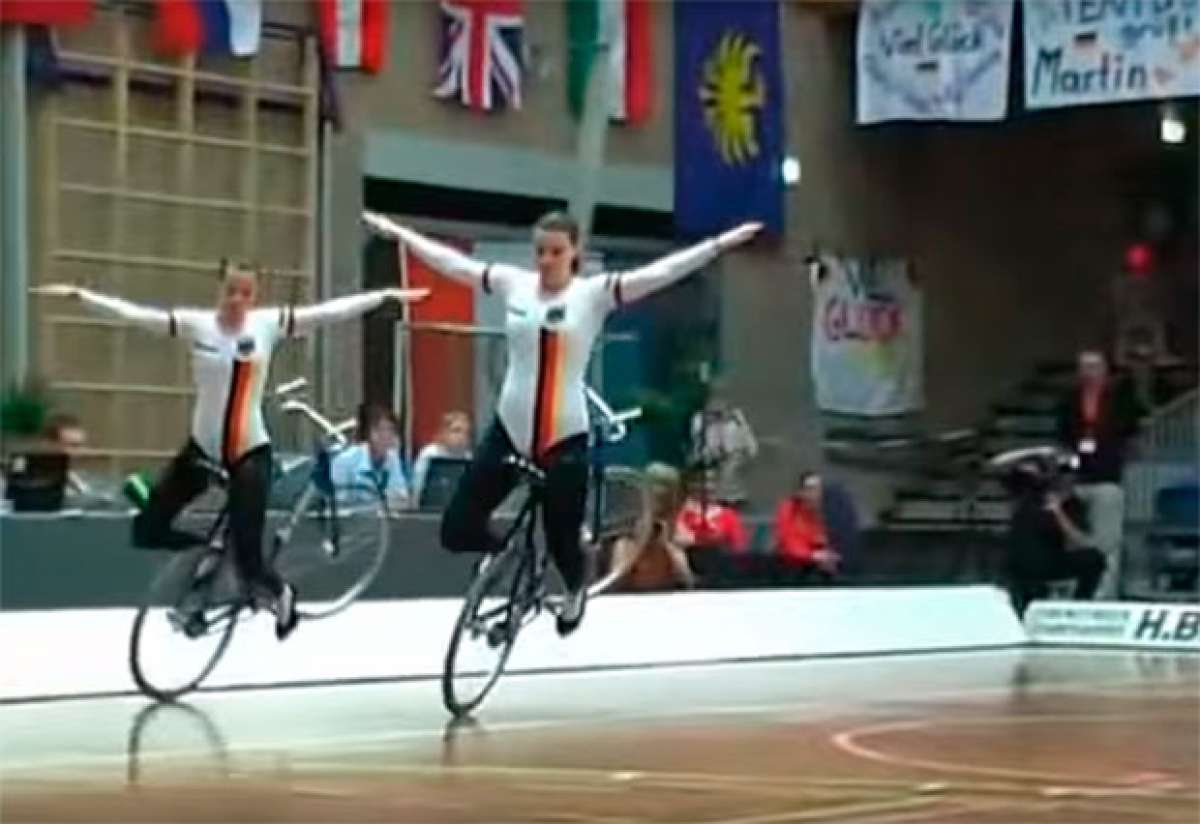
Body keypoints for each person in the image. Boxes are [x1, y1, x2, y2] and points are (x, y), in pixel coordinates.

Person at [364, 209, 760, 635]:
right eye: (540, 251)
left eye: (556, 251)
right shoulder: (513, 285)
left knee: (562, 541)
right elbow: (454, 264)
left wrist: (720, 244)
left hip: (563, 438)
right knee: (456, 528)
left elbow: (662, 272)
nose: (546, 260)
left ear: (575, 253)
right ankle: (512, 557)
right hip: (509, 433)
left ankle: (573, 590)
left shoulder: (594, 294)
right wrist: (400, 233)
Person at [32, 264, 426, 639]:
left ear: (254, 298)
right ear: (219, 292)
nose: (237, 299)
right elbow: (136, 316)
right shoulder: (197, 325)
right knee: (148, 527)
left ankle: (281, 594)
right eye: (230, 291)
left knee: (251, 565)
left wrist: (384, 295)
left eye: (245, 293)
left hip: (248, 454)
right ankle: (205, 552)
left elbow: (327, 314)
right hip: (202, 449)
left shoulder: (267, 325)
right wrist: (80, 295)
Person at [1056, 349, 1140, 600]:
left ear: (1104, 370)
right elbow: (1062, 435)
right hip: (1076, 479)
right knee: (1073, 540)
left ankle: (1105, 594)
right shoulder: (1069, 400)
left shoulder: (1120, 399)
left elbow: (1131, 431)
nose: (1089, 372)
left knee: (1107, 541)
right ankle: (1076, 592)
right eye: (1084, 367)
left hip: (1107, 477)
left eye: (1094, 367)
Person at [1006, 454, 1107, 617]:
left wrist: (1058, 512)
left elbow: (1080, 541)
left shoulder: (1073, 505)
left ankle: (1079, 607)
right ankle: (1027, 603)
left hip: (1051, 558)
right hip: (1024, 560)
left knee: (1094, 559)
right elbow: (1006, 472)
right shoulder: (1030, 496)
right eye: (1061, 475)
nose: (1066, 480)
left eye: (1070, 476)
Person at [595, 463, 695, 593]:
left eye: (667, 492)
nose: (660, 495)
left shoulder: (680, 539)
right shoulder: (625, 539)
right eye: (656, 489)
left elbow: (687, 584)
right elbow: (612, 582)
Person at [690, 378, 758, 507]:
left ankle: (734, 497)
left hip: (734, 451)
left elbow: (746, 432)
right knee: (714, 475)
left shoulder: (736, 416)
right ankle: (719, 497)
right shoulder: (700, 418)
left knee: (730, 471)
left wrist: (751, 447)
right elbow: (697, 437)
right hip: (712, 452)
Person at [330, 405, 411, 510]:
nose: (385, 436)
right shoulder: (344, 461)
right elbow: (338, 505)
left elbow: (401, 499)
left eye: (390, 430)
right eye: (379, 430)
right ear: (368, 433)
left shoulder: (393, 458)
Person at [772, 471, 840, 583]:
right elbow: (788, 544)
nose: (814, 494)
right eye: (810, 489)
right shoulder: (789, 509)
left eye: (818, 489)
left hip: (822, 570)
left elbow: (834, 540)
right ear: (800, 492)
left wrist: (830, 556)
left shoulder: (828, 510)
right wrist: (813, 556)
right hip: (792, 571)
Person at [412, 411, 473, 505]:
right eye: (456, 431)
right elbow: (417, 490)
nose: (462, 436)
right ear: (444, 432)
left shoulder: (469, 458)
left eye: (466, 433)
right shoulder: (429, 454)